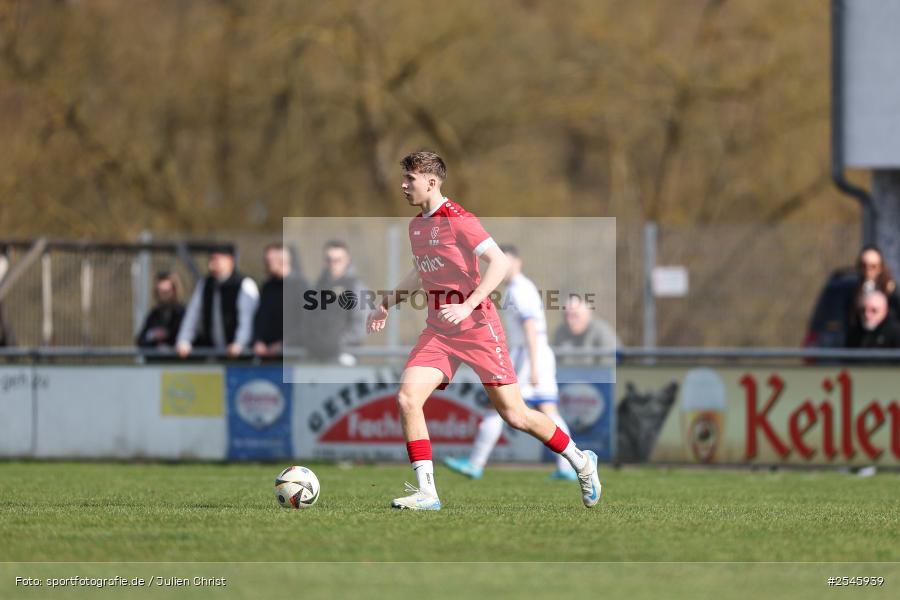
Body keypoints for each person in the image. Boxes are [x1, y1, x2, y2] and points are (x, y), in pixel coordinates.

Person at [366, 151, 600, 511]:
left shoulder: (459, 219)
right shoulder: (416, 226)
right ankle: (427, 492)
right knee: (407, 398)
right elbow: (419, 273)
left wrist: (467, 304)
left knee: (515, 414)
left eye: (409, 178)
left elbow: (500, 262)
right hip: (439, 332)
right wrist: (387, 302)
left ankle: (581, 461)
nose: (403, 184)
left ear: (431, 181)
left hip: (477, 327)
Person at [443, 244, 578, 481]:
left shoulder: (518, 289)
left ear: (517, 262)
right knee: (548, 410)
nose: (501, 268)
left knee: (498, 407)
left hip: (528, 354)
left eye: (506, 261)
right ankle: (571, 465)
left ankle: (475, 463)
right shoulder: (521, 288)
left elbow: (530, 327)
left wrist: (533, 365)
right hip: (538, 353)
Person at [175, 246, 259, 358]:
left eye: (216, 259)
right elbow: (192, 315)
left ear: (230, 261)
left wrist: (239, 344)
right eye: (210, 260)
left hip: (242, 357)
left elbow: (247, 320)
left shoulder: (244, 285)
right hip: (214, 354)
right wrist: (183, 340)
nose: (211, 265)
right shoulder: (205, 285)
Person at [304, 240, 366, 363]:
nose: (333, 264)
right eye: (328, 260)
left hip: (343, 355)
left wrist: (336, 342)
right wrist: (314, 341)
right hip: (316, 354)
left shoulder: (355, 286)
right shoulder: (317, 287)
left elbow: (360, 323)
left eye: (337, 260)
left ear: (347, 260)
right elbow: (308, 319)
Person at [253, 243, 306, 357]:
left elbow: (306, 323)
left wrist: (283, 344)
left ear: (282, 261)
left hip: (292, 357)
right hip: (266, 356)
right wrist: (258, 340)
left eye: (268, 260)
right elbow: (261, 318)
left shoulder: (301, 287)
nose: (265, 264)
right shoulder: (268, 287)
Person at [554, 293, 620, 366]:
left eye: (575, 315)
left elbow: (609, 369)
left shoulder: (603, 333)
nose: (569, 321)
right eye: (566, 315)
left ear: (588, 314)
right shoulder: (560, 332)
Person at [846, 245, 900, 334]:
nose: (868, 270)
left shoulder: (890, 291)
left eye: (873, 266)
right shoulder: (852, 291)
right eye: (864, 266)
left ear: (880, 268)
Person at [136, 272, 185, 348]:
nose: (164, 296)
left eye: (167, 292)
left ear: (174, 291)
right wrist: (153, 335)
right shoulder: (154, 315)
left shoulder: (183, 314)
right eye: (160, 292)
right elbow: (141, 340)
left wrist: (167, 335)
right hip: (156, 359)